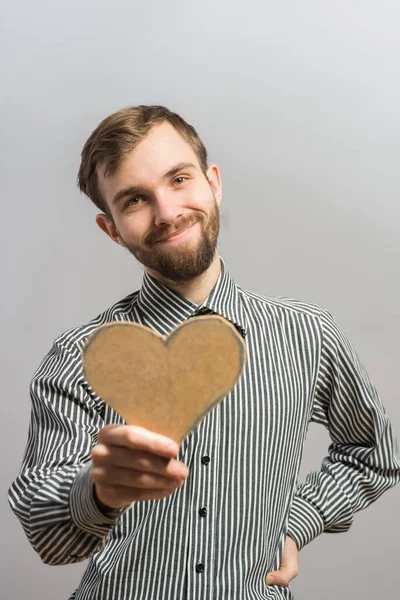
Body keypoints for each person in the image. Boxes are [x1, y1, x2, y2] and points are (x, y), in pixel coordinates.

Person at [9, 105, 400, 600]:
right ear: (111, 229)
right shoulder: (78, 356)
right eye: (134, 200)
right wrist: (97, 490)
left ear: (212, 182)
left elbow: (375, 453)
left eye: (178, 179)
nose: (168, 213)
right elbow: (46, 536)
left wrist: (299, 520)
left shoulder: (308, 334)